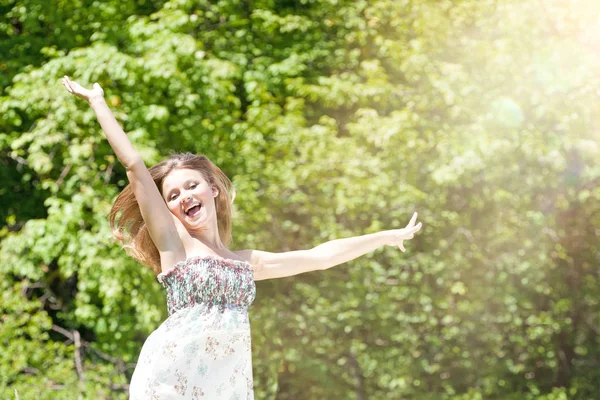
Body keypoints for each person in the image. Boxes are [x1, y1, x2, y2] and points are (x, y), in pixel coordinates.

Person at [61, 76, 423, 399]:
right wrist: (98, 102)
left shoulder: (245, 263)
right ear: (168, 209)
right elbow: (134, 166)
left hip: (224, 384)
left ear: (212, 190)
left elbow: (320, 256)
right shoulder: (174, 246)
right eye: (173, 195)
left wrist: (384, 237)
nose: (184, 196)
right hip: (172, 377)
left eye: (192, 186)